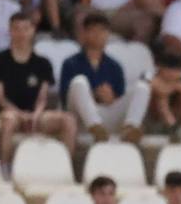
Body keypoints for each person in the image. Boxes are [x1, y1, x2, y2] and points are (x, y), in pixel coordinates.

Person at [0, 11, 76, 163]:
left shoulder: (43, 63)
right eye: (16, 29)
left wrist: (35, 114)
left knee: (68, 120)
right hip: (9, 113)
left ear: (33, 31)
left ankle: (66, 166)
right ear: (10, 31)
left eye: (25, 29)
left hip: (36, 115)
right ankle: (4, 169)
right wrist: (20, 114)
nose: (21, 33)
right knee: (8, 121)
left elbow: (42, 97)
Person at [61, 12, 149, 144]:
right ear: (84, 33)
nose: (98, 35)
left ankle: (131, 127)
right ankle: (95, 127)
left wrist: (111, 98)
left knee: (142, 87)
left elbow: (119, 94)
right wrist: (94, 94)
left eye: (102, 31)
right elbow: (65, 96)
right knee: (79, 82)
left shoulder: (114, 66)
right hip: (81, 118)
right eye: (93, 31)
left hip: (106, 114)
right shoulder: (71, 63)